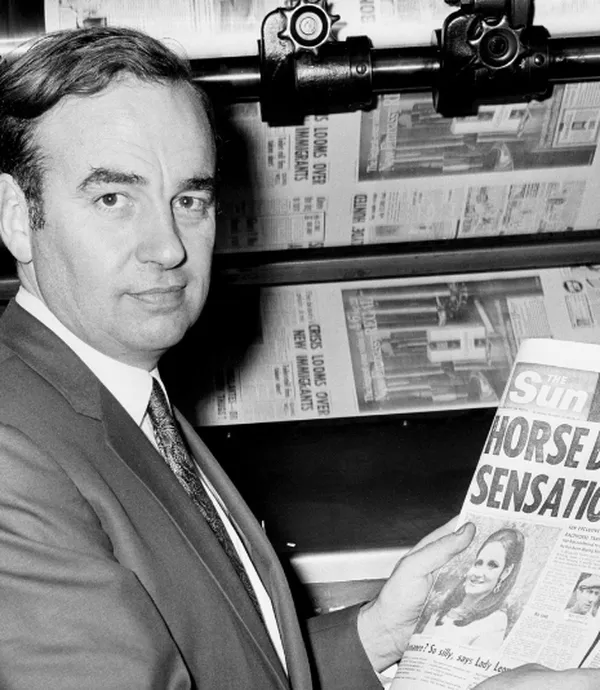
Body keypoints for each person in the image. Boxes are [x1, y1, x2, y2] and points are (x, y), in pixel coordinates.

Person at [0, 26, 597, 690]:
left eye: (189, 201)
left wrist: (376, 634)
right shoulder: (10, 450)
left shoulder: (122, 393)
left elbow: (227, 662)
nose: (168, 247)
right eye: (113, 199)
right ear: (17, 216)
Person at [421, 527, 524, 649]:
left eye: (492, 565)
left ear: (506, 572)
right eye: (479, 563)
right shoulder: (444, 607)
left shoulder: (495, 621)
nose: (478, 573)